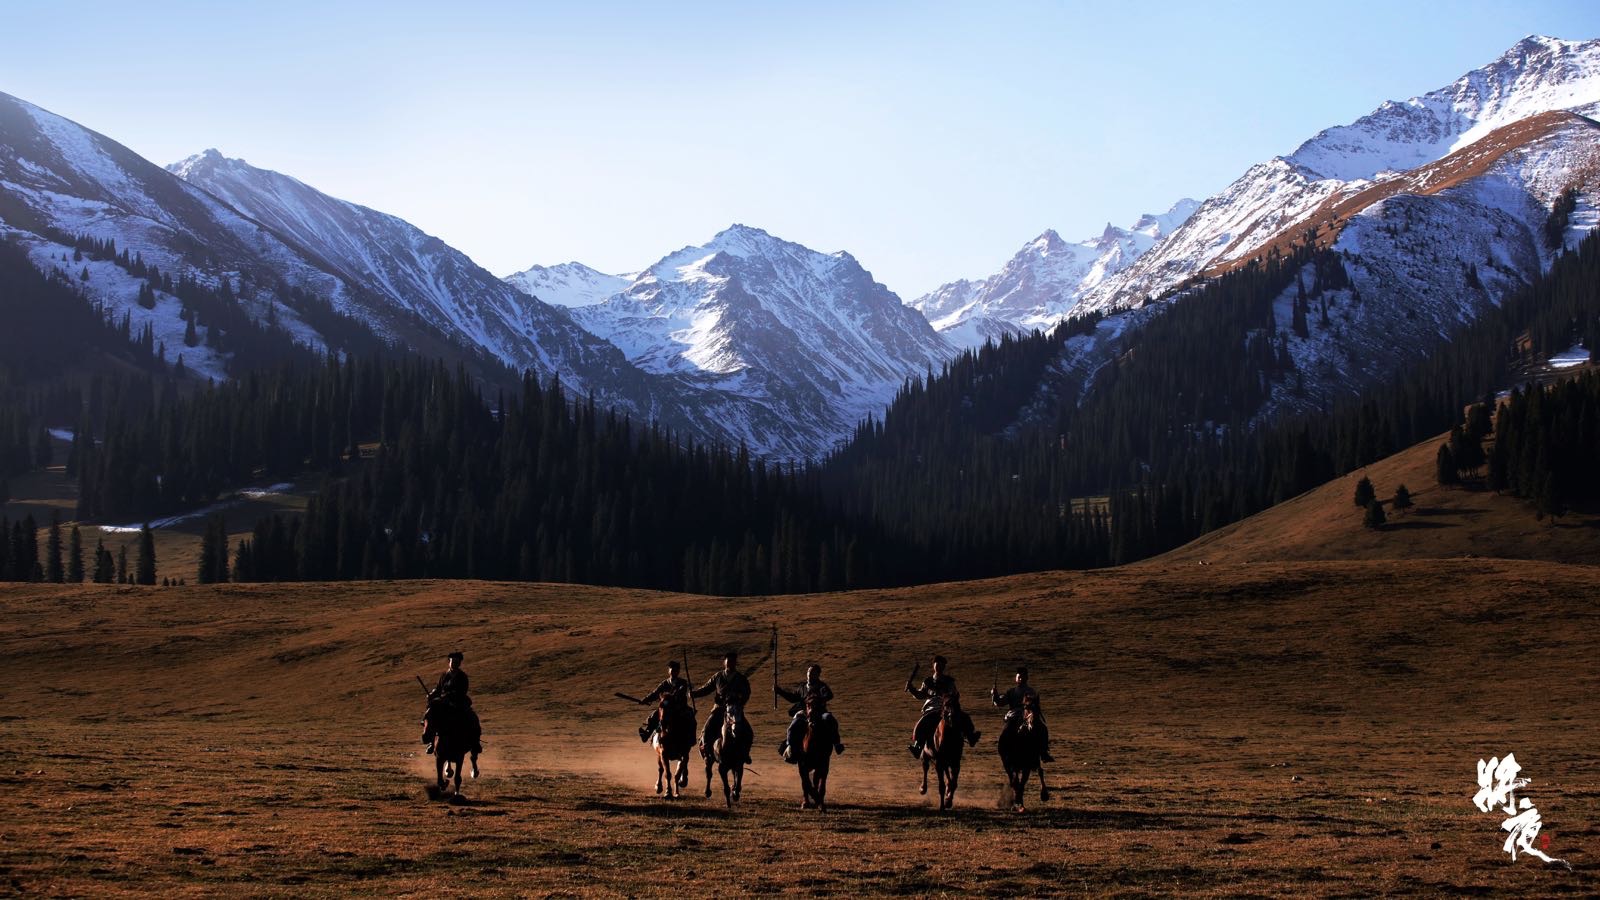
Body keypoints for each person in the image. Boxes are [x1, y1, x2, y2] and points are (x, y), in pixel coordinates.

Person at [906, 655, 979, 757]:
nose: (939, 666)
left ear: (944, 667)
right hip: (932, 708)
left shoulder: (949, 681)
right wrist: (912, 689)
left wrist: (950, 701)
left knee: (964, 717)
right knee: (922, 723)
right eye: (937, 664)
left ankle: (971, 737)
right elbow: (921, 695)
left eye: (941, 665)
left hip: (947, 707)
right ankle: (918, 746)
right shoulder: (927, 681)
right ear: (933, 666)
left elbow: (955, 694)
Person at [421, 651, 483, 769]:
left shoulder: (462, 676)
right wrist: (432, 694)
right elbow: (439, 688)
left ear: (459, 663)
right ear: (449, 662)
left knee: (472, 718)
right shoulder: (444, 675)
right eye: (452, 661)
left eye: (456, 661)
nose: (454, 663)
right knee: (432, 711)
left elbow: (463, 691)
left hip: (458, 702)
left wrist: (449, 697)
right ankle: (430, 741)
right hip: (444, 702)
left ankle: (475, 743)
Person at [692, 651, 752, 764]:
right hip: (718, 709)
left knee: (749, 732)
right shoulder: (718, 676)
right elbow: (707, 688)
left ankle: (745, 753)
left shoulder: (741, 678)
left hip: (734, 710)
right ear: (724, 662)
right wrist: (694, 693)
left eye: (733, 661)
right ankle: (707, 753)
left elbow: (747, 693)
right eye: (728, 661)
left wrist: (739, 702)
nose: (730, 663)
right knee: (706, 730)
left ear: (735, 663)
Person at [776, 663, 843, 762]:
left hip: (819, 712)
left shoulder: (821, 686)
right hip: (804, 713)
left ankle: (837, 744)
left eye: (812, 672)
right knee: (793, 727)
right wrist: (779, 691)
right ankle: (790, 749)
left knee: (829, 719)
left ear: (817, 674)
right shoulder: (802, 687)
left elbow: (829, 695)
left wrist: (817, 699)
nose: (809, 674)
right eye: (808, 671)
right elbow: (793, 698)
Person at [991, 665, 1053, 763]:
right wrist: (995, 695)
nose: (1020, 679)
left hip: (1027, 716)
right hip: (1014, 716)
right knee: (1005, 731)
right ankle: (1002, 749)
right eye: (1018, 677)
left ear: (1026, 678)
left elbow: (1034, 706)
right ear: (1016, 678)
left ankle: (1043, 752)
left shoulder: (1031, 691)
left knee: (1043, 728)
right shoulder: (1011, 692)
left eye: (1022, 677)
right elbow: (999, 703)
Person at [637, 660, 693, 742]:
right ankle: (647, 734)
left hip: (679, 707)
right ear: (669, 671)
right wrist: (645, 699)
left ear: (678, 671)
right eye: (672, 669)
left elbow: (681, 691)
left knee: (690, 718)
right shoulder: (664, 683)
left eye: (676, 670)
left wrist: (675, 694)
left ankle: (691, 739)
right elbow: (655, 693)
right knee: (654, 716)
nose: (674, 671)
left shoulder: (683, 682)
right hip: (666, 708)